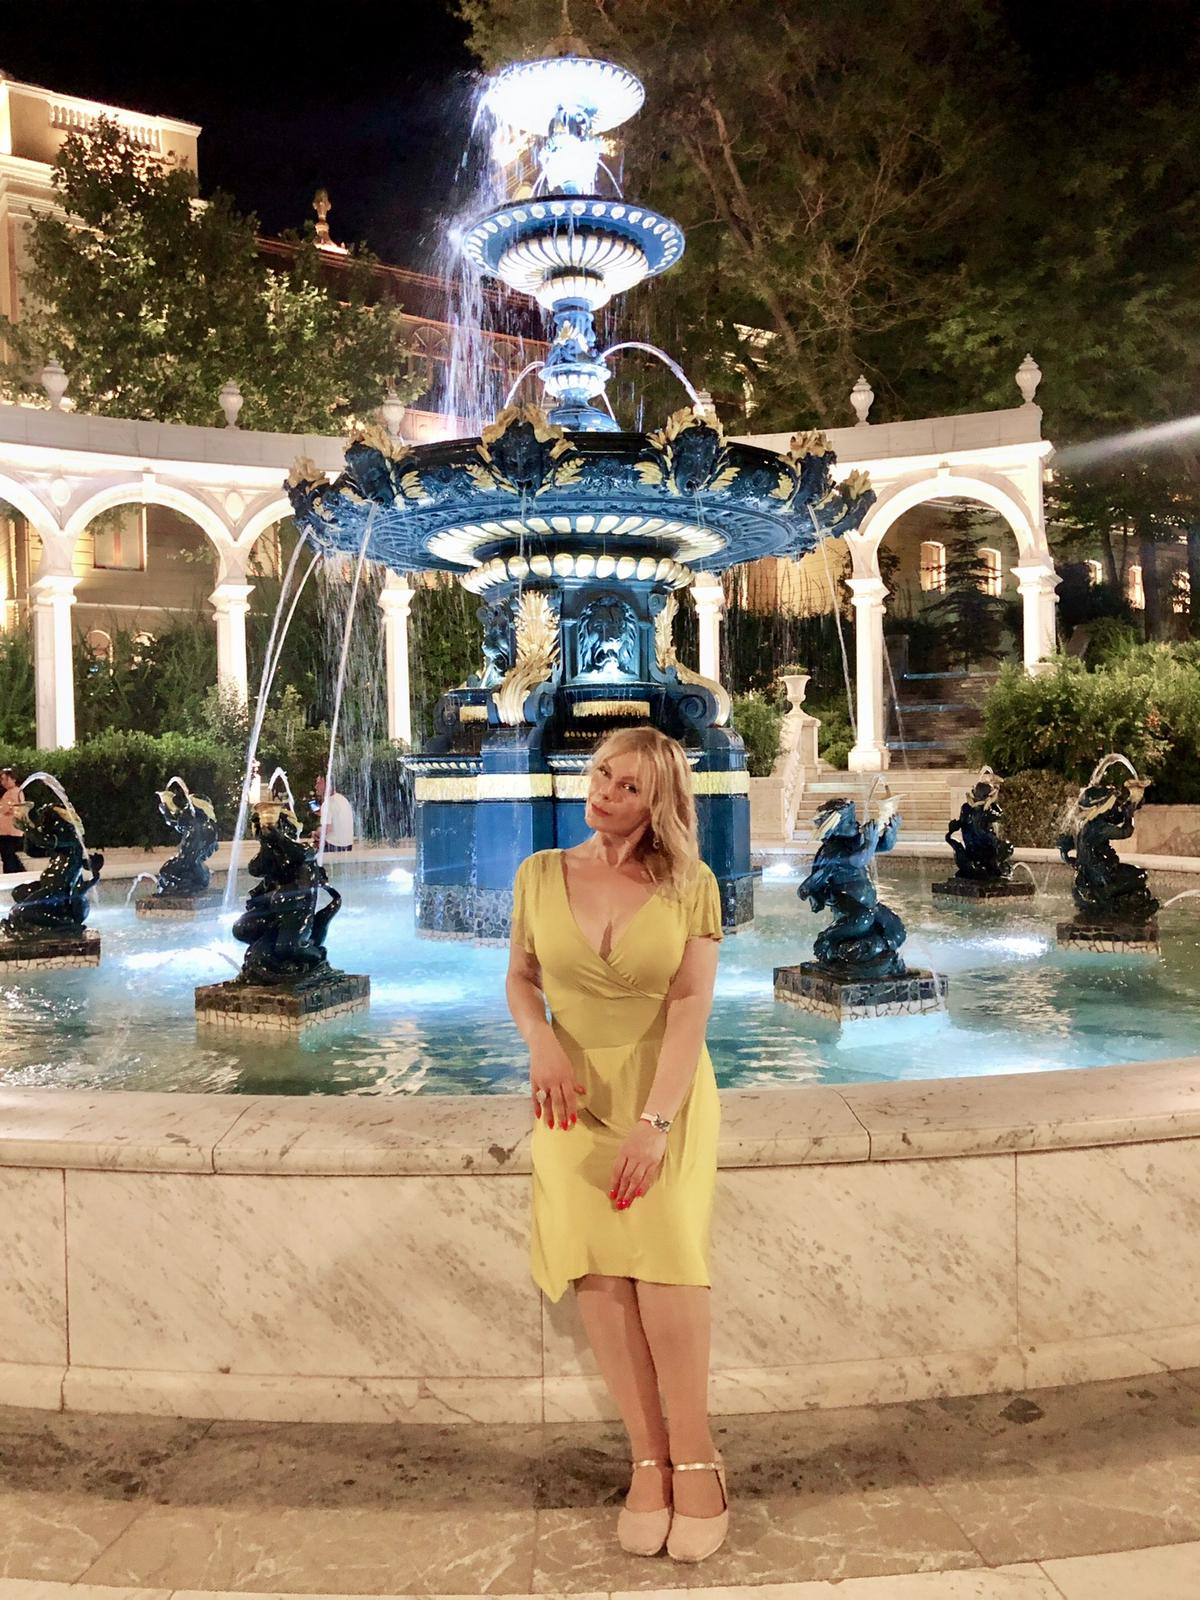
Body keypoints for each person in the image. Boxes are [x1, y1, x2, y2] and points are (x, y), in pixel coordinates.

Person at [506, 726, 728, 1563]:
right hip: (568, 1094)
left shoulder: (692, 885)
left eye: (628, 785)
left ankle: (696, 1455)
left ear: (659, 802)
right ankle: (647, 1457)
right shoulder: (539, 874)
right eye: (602, 773)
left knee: (667, 1260)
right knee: (598, 1268)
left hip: (663, 1088)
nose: (604, 791)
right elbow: (520, 977)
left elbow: (690, 1004)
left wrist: (656, 1122)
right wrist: (541, 1042)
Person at [312, 774, 354, 854]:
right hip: (348, 846)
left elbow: (327, 830)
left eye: (318, 783)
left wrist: (315, 833)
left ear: (327, 784)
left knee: (311, 853)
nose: (316, 787)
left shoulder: (327, 803)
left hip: (334, 847)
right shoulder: (343, 799)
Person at [0, 769, 25, 875]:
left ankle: (14, 872)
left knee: (7, 853)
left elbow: (7, 808)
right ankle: (18, 870)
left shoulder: (15, 792)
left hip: (10, 830)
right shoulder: (10, 792)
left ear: (12, 779)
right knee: (8, 853)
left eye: (5, 779)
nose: (3, 782)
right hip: (7, 830)